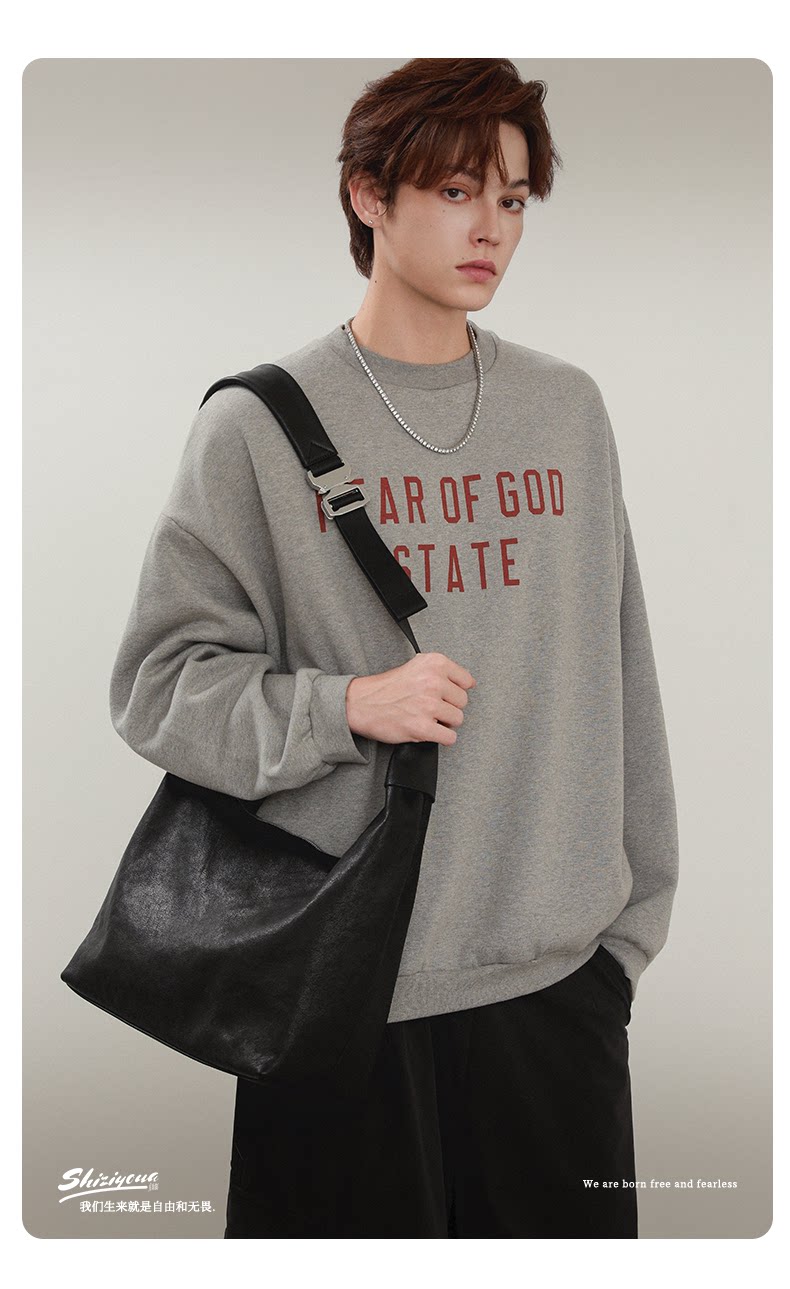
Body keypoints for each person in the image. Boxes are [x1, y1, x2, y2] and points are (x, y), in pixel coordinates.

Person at [109, 58, 679, 1238]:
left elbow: (622, 668)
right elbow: (159, 685)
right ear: (369, 196)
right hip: (341, 988)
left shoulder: (567, 411)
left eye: (512, 199)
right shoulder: (256, 427)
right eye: (458, 191)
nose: (491, 228)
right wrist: (346, 704)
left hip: (557, 986)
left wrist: (624, 936)